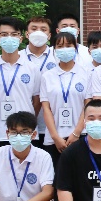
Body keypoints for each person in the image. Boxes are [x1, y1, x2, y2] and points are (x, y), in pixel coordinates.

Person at [0, 17, 41, 160]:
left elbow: (37, 101)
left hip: (27, 132)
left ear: (21, 38)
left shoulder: (32, 68)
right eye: (4, 34)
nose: (9, 38)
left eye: (14, 34)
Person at [40, 31, 91, 168]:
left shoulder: (86, 74)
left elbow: (88, 106)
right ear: (54, 50)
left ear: (76, 48)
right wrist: (55, 137)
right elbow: (46, 108)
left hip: (81, 135)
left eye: (68, 45)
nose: (64, 49)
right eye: (60, 46)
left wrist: (76, 133)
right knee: (56, 176)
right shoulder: (47, 76)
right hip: (54, 138)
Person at [20, 16, 57, 147]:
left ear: (49, 35)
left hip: (54, 126)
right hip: (25, 127)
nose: (38, 32)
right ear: (27, 34)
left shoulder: (58, 57)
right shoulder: (18, 58)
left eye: (43, 29)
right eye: (34, 29)